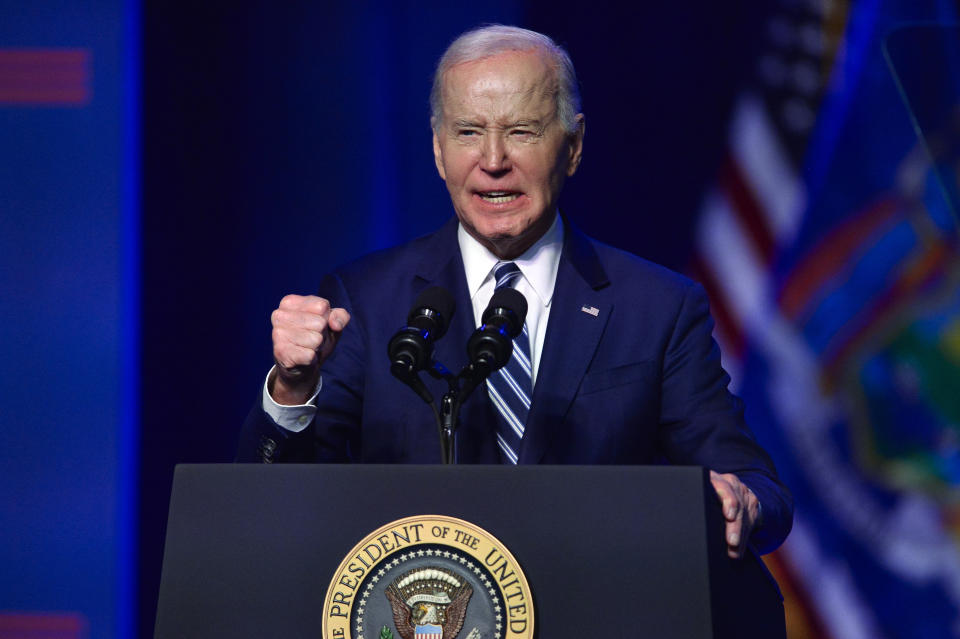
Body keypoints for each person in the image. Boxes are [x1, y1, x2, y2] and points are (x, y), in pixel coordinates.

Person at [237, 25, 792, 559]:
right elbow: (279, 505)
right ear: (437, 151)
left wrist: (742, 501)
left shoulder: (659, 308)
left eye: (522, 131)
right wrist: (291, 389)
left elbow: (757, 487)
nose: (494, 160)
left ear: (572, 147)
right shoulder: (364, 300)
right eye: (468, 132)